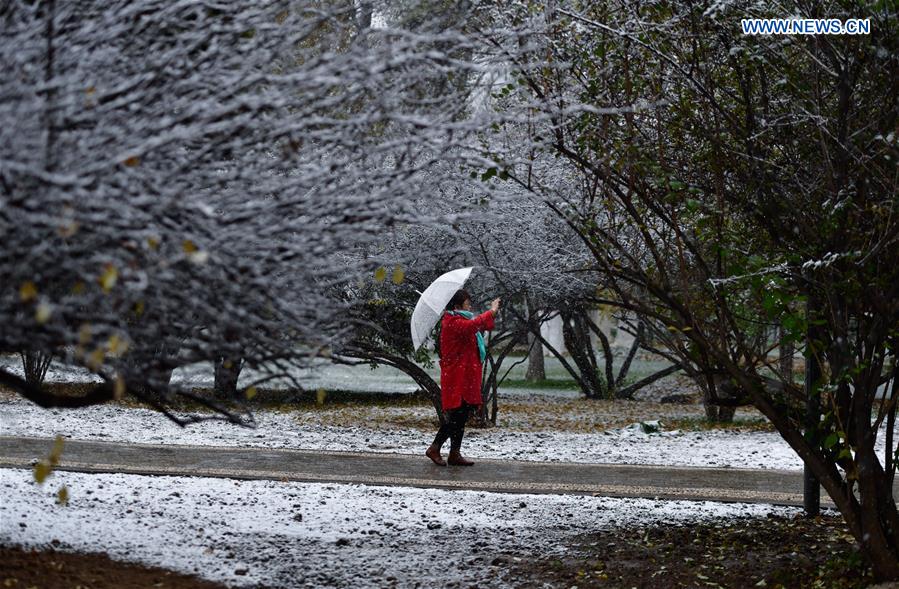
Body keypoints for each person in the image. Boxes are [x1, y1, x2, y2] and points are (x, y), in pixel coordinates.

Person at [426, 289, 500, 466]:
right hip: (457, 377)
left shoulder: (460, 320)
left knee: (462, 414)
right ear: (457, 305)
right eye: (467, 303)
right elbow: (473, 326)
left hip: (465, 375)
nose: (470, 305)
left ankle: (454, 453)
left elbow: (480, 326)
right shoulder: (452, 322)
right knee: (456, 416)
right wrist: (491, 311)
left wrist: (489, 317)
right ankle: (435, 448)